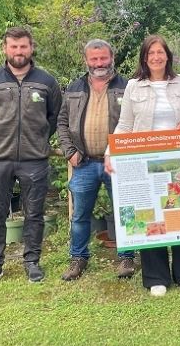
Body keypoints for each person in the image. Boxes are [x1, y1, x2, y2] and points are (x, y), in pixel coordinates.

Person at [105, 35, 180, 297]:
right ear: (145, 58)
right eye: (151, 53)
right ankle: (156, 276)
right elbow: (125, 125)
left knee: (179, 213)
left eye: (161, 52)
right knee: (150, 215)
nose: (157, 57)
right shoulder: (134, 87)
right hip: (144, 162)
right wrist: (109, 153)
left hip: (178, 159)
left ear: (168, 56)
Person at [0, 27, 61, 287]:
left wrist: (37, 138)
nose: (18, 51)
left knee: (34, 213)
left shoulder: (47, 81)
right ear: (5, 49)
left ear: (31, 48)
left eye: (23, 46)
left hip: (34, 159)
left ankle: (32, 262)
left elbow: (54, 117)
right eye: (13, 47)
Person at [58, 39, 136, 281]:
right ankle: (78, 258)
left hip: (119, 162)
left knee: (125, 212)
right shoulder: (74, 87)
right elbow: (62, 122)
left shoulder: (128, 86)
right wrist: (69, 151)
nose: (99, 63)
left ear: (112, 58)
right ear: (86, 60)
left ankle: (127, 257)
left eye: (103, 58)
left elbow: (136, 121)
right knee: (80, 214)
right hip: (84, 162)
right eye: (94, 59)